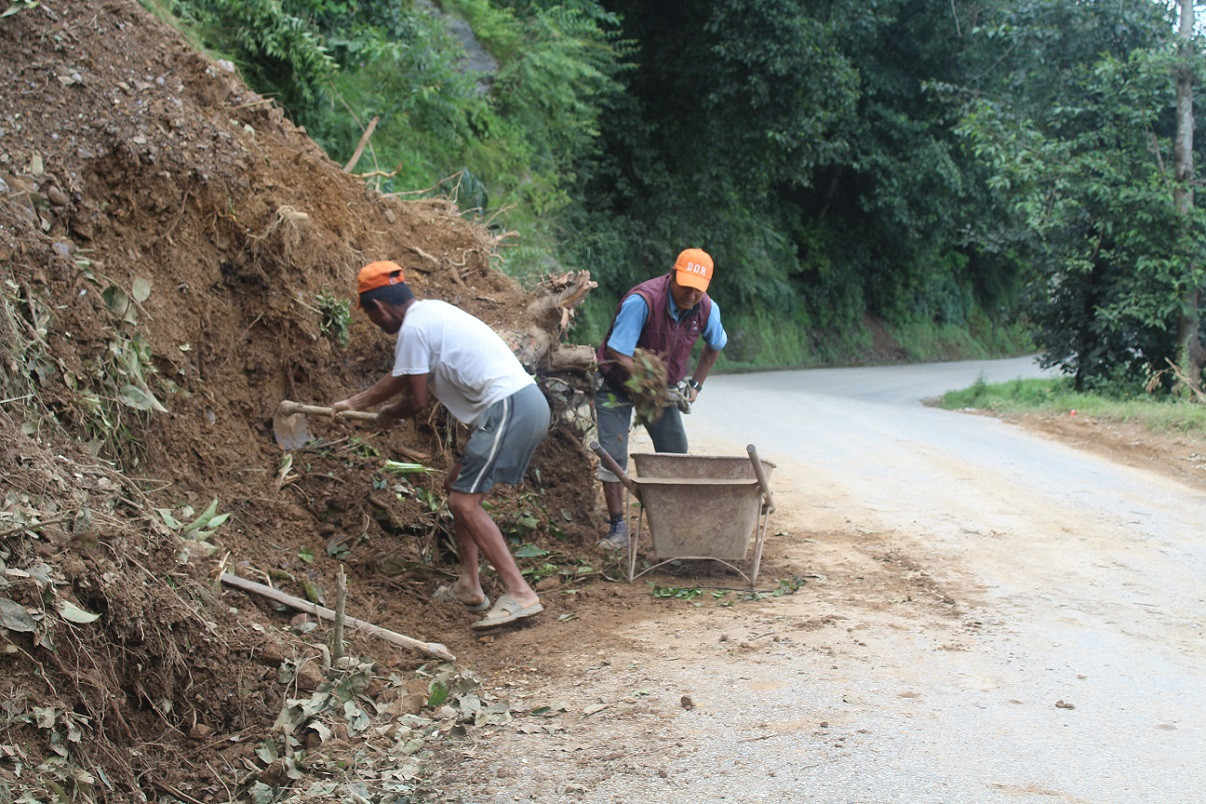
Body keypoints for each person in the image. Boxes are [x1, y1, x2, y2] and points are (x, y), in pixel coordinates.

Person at [331, 260, 550, 629]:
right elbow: (400, 377)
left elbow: (415, 399)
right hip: (519, 405)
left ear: (379, 307)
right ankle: (470, 585)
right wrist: (357, 404)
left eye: (369, 314)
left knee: (463, 502)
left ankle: (520, 593)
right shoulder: (430, 315)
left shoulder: (414, 329)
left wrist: (382, 413)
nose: (373, 322)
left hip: (510, 407)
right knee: (456, 487)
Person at [593, 248, 728, 550]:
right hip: (616, 382)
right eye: (685, 285)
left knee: (675, 453)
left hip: (657, 389)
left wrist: (695, 385)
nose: (691, 294)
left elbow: (716, 344)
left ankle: (675, 525)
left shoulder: (706, 308)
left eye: (698, 289)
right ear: (672, 274)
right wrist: (649, 383)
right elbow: (618, 351)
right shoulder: (642, 301)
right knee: (613, 454)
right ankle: (617, 528)